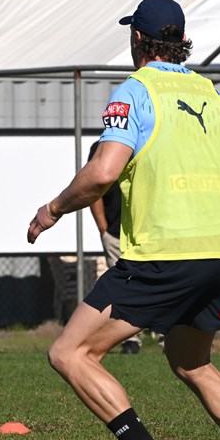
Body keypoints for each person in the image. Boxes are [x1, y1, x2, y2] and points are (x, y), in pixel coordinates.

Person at [27, 0, 220, 440]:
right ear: (181, 40)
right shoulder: (216, 98)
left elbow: (103, 172)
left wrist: (53, 209)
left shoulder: (136, 90)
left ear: (137, 39)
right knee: (192, 362)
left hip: (163, 253)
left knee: (70, 352)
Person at [87, 140, 143, 355]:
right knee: (123, 287)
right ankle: (130, 340)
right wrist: (104, 229)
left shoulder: (149, 142)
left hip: (150, 232)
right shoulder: (101, 147)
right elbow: (94, 188)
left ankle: (166, 339)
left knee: (160, 281)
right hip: (116, 233)